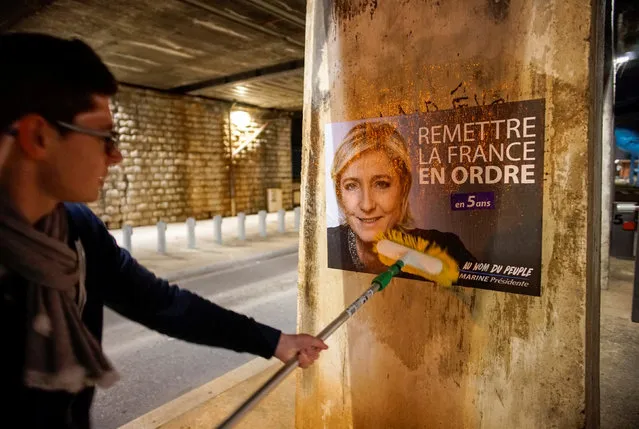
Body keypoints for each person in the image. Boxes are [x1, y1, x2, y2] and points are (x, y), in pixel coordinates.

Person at [0, 32, 327, 429]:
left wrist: (275, 341)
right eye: (105, 137)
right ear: (38, 137)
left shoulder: (78, 229)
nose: (116, 156)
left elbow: (161, 303)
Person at [327, 121, 475, 278]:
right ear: (339, 193)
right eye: (351, 186)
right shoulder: (325, 246)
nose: (367, 205)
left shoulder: (444, 249)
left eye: (381, 184)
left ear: (404, 187)